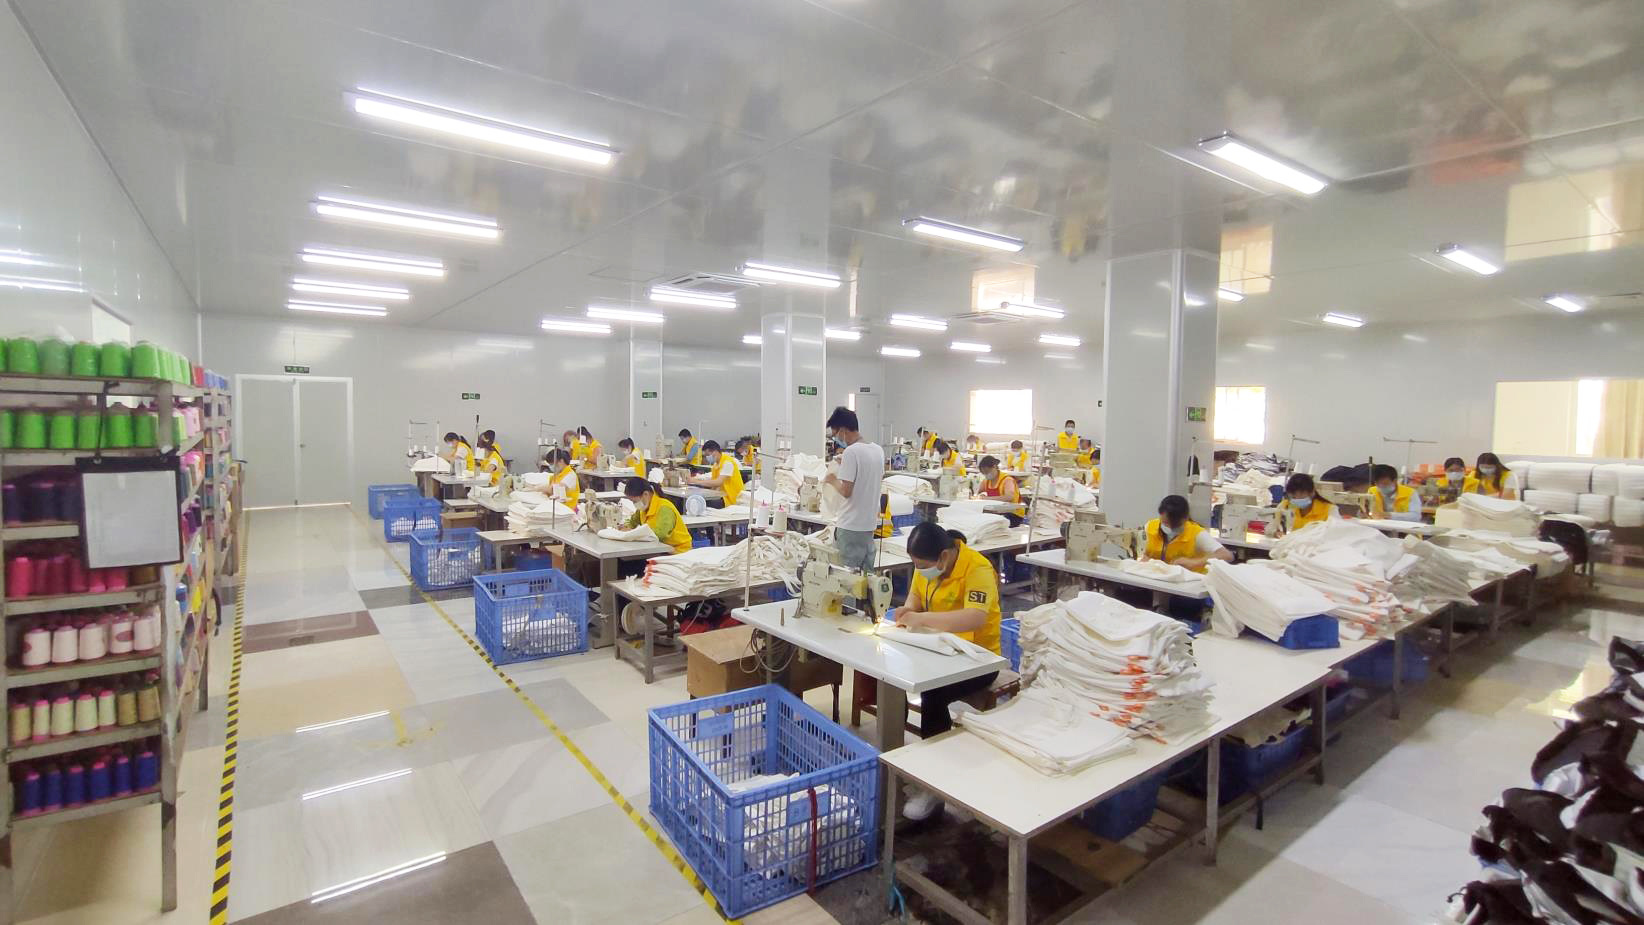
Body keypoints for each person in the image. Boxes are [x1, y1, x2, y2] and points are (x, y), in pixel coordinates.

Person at [893, 522, 1002, 819]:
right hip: (938, 649)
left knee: (933, 694)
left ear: (943, 556)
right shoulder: (926, 564)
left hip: (978, 659)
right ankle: (899, 757)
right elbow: (916, 596)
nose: (919, 570)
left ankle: (934, 786)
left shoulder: (978, 568)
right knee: (892, 678)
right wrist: (908, 610)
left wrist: (922, 619)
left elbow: (975, 617)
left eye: (922, 565)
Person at [823, 407, 885, 577]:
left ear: (843, 430)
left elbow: (846, 491)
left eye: (836, 435)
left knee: (847, 580)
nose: (837, 439)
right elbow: (867, 479)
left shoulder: (851, 452)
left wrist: (832, 480)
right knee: (866, 580)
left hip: (850, 527)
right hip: (869, 525)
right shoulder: (877, 450)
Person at [1141, 495, 1231, 573]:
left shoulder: (1196, 533)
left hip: (1190, 581)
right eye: (1165, 523)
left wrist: (1195, 562)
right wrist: (1145, 559)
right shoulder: (1150, 527)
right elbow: (1142, 552)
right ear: (1160, 515)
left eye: (1175, 524)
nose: (1169, 527)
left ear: (1185, 518)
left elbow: (1227, 555)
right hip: (1158, 578)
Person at [621, 477, 691, 554]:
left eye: (635, 501)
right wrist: (626, 527)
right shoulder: (643, 508)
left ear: (645, 494)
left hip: (677, 551)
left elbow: (660, 534)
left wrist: (634, 534)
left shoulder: (665, 508)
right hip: (660, 549)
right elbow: (632, 523)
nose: (634, 504)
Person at [689, 440, 745, 506]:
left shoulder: (728, 462)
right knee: (697, 500)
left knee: (701, 504)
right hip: (722, 495)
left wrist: (696, 482)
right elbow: (714, 484)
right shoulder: (716, 465)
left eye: (708, 455)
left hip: (731, 498)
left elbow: (718, 482)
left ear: (715, 451)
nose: (707, 458)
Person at [975, 455, 1024, 523]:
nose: (986, 474)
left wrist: (987, 498)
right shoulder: (986, 481)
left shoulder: (1007, 479)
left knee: (989, 522)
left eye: (987, 471)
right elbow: (979, 493)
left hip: (1013, 514)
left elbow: (1009, 497)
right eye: (984, 473)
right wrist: (980, 495)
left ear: (994, 467)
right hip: (996, 512)